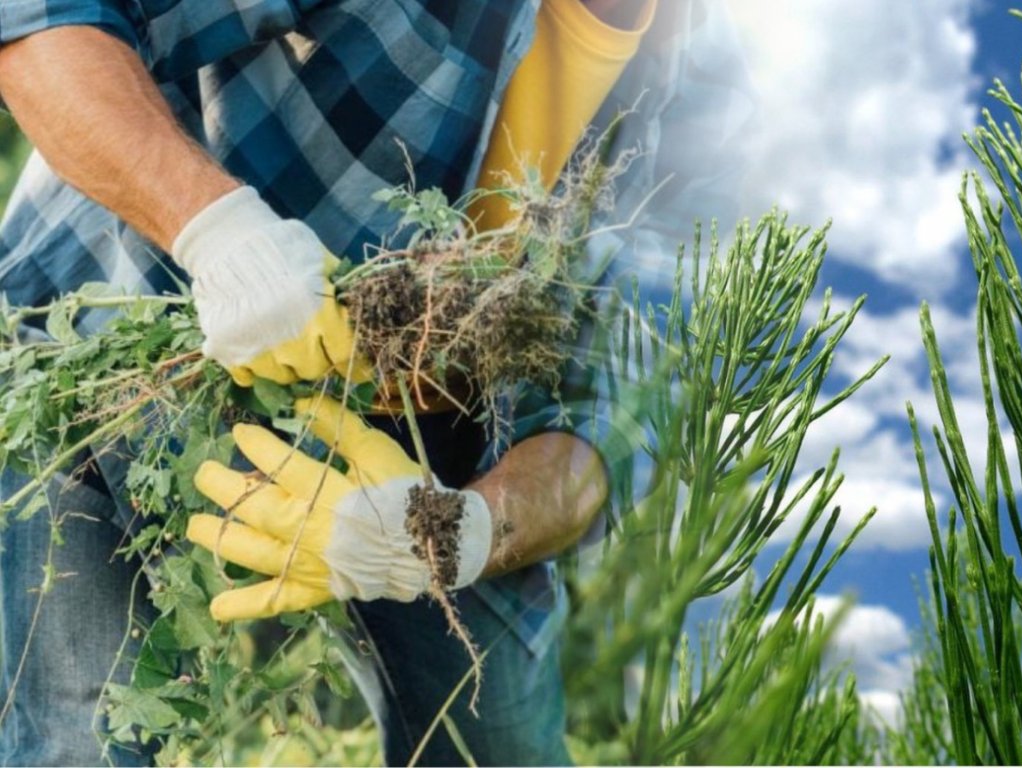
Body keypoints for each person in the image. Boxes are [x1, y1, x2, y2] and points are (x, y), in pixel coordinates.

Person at [0, 0, 754, 764]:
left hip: (438, 448)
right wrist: (220, 234)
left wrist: (461, 533)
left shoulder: (706, 103)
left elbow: (614, 412)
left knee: (499, 747)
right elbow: (43, 20)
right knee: (81, 739)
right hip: (135, 322)